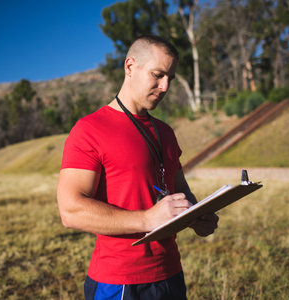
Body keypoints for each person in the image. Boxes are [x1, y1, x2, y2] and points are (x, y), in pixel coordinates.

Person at [57, 34, 219, 300]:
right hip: (119, 282)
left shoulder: (165, 132)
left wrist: (196, 215)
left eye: (170, 78)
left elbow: (180, 191)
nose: (165, 86)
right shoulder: (89, 129)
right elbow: (70, 210)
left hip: (171, 275)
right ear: (130, 66)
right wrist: (147, 219)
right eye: (158, 75)